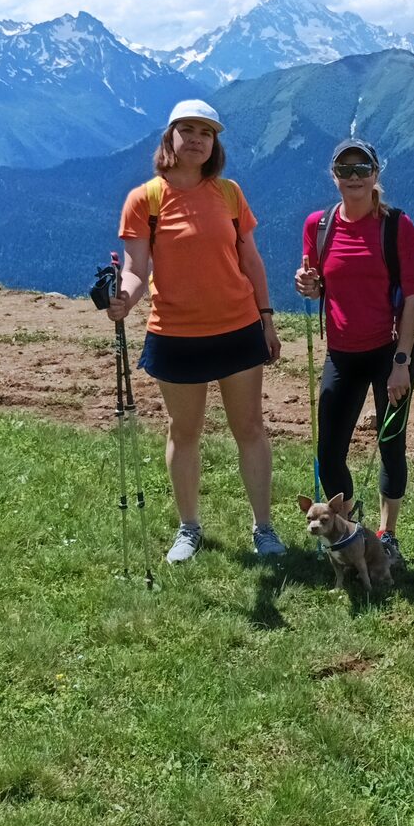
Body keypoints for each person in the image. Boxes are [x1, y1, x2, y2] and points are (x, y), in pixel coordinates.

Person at [107, 98, 287, 563]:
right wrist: (123, 298)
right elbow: (134, 268)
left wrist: (266, 318)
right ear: (169, 137)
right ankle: (189, 528)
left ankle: (263, 528)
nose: (196, 138)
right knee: (183, 430)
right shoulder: (143, 199)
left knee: (249, 427)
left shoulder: (229, 194)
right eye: (187, 129)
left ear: (214, 144)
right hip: (175, 332)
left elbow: (250, 259)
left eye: (205, 132)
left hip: (239, 325)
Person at [294, 138, 414, 568]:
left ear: (376, 174)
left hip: (391, 351)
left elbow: (412, 299)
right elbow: (318, 282)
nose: (353, 177)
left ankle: (387, 537)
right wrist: (310, 286)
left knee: (390, 444)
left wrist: (402, 362)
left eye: (361, 168)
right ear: (333, 176)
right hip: (341, 352)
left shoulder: (396, 226)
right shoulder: (318, 225)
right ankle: (350, 536)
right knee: (329, 452)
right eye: (344, 169)